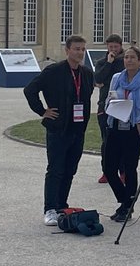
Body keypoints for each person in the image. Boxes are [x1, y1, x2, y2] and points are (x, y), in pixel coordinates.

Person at [24, 35, 95, 226]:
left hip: (77, 129)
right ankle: (50, 208)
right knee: (55, 169)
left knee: (70, 169)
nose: (80, 52)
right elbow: (30, 90)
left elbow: (86, 96)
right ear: (67, 50)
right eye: (76, 49)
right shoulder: (54, 71)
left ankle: (62, 205)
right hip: (58, 128)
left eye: (83, 49)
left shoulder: (87, 73)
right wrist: (42, 111)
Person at [102, 45, 140, 222]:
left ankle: (127, 207)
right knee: (109, 168)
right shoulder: (116, 78)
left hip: (132, 130)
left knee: (129, 169)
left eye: (132, 58)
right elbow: (109, 98)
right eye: (126, 57)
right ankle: (125, 201)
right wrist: (110, 106)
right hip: (115, 126)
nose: (128, 60)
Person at [94, 35, 124, 184]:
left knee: (123, 140)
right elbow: (98, 79)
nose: (113, 50)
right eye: (111, 47)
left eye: (115, 47)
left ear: (120, 46)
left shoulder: (125, 61)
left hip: (123, 104)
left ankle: (123, 171)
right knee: (106, 141)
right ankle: (107, 172)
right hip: (105, 105)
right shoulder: (101, 62)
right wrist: (108, 63)